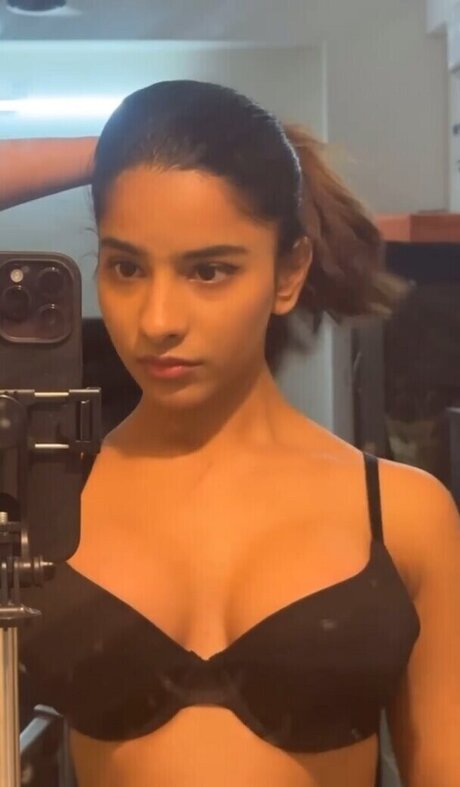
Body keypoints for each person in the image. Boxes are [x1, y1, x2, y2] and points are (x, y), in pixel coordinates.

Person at [2, 80, 459, 787]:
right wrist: (123, 146)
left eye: (208, 270)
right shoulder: (41, 500)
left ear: (289, 272)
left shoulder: (403, 513)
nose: (157, 319)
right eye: (126, 267)